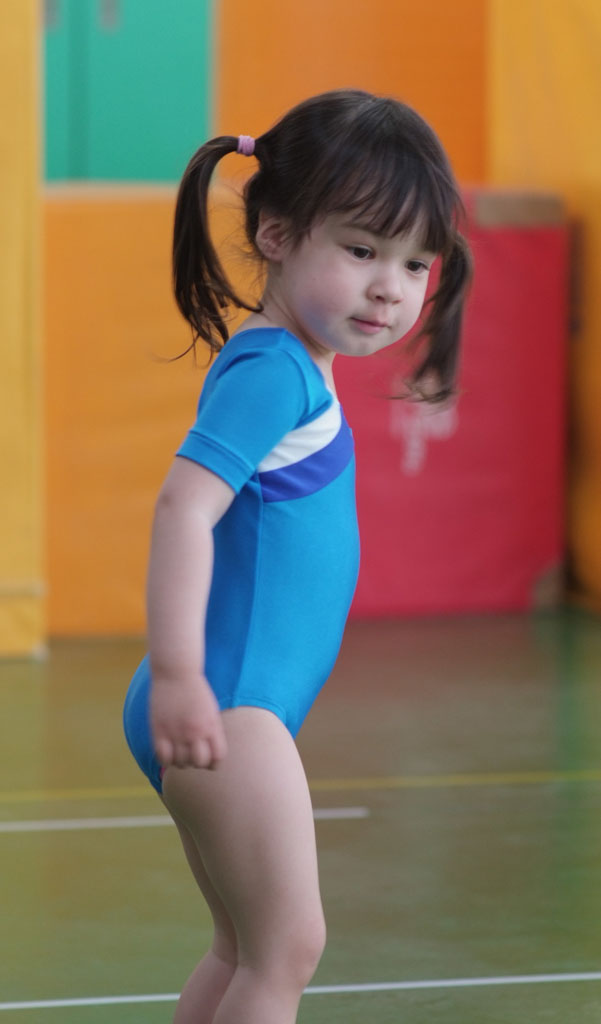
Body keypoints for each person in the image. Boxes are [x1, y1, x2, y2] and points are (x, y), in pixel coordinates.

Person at [123, 88, 471, 1024]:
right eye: (360, 251)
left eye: (414, 263)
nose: (389, 287)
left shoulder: (291, 359)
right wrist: (182, 678)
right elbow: (182, 510)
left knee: (244, 949)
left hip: (233, 696)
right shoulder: (275, 372)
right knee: (285, 950)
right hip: (227, 704)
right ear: (275, 234)